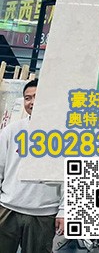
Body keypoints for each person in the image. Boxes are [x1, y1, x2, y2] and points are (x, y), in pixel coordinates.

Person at [0, 79, 63, 252]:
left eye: (37, 96)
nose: (32, 102)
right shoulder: (12, 130)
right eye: (27, 98)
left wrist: (64, 211)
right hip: (8, 208)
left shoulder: (62, 135)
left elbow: (69, 177)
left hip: (42, 213)